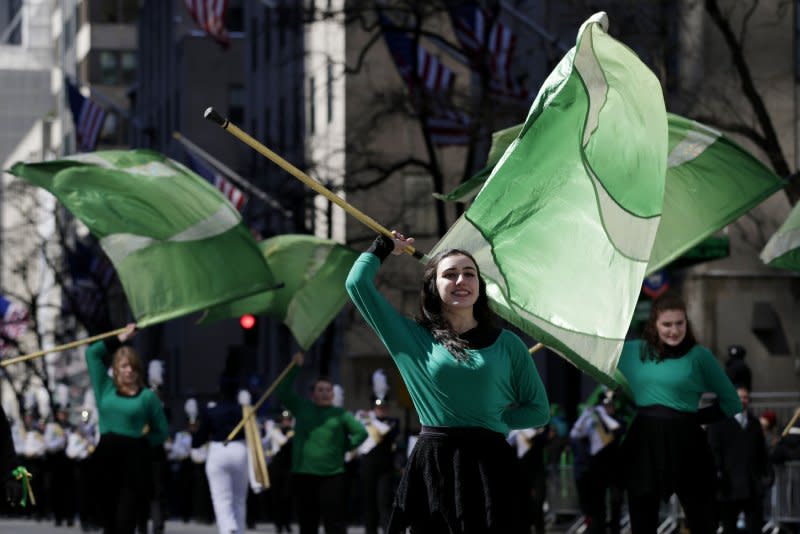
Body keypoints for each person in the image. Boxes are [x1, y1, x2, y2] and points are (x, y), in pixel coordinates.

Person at [345, 231, 550, 533]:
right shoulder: (412, 338)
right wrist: (384, 246)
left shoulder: (509, 345)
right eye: (449, 274)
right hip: (434, 465)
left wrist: (494, 420)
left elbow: (538, 410)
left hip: (491, 466)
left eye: (469, 274)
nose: (460, 281)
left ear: (480, 286)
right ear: (433, 286)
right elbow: (357, 284)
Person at [616, 291, 742, 534]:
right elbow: (597, 353)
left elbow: (732, 402)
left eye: (679, 323)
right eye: (666, 324)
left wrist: (694, 419)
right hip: (645, 440)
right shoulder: (634, 351)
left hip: (687, 440)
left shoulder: (699, 356)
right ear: (654, 324)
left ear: (687, 323)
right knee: (642, 520)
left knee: (702, 518)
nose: (674, 330)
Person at [85, 323, 169, 534]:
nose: (129, 370)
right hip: (106, 458)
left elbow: (161, 431)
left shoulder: (147, 397)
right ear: (116, 369)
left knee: (126, 520)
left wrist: (141, 443)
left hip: (134, 462)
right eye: (124, 366)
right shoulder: (105, 388)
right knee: (108, 521)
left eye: (132, 366)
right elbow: (92, 354)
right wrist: (121, 338)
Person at [275, 353, 368, 534]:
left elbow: (361, 433)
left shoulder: (340, 414)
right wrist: (295, 367)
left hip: (332, 475)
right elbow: (283, 392)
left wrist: (344, 447)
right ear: (312, 394)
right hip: (304, 474)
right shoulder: (302, 407)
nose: (325, 393)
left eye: (328, 390)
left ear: (333, 394)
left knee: (334, 523)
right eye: (320, 390)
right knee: (307, 523)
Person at [192, 373, 250, 534]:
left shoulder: (211, 411)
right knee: (239, 499)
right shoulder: (244, 411)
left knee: (221, 497)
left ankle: (227, 528)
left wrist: (195, 440)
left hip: (218, 450)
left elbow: (199, 438)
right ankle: (238, 530)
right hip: (240, 450)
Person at [707, 384, 770, 534]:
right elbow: (713, 450)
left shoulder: (754, 424)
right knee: (729, 527)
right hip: (729, 486)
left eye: (746, 397)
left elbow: (762, 451)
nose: (743, 400)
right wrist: (718, 473)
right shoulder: (719, 423)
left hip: (752, 486)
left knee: (755, 526)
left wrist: (767, 474)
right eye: (739, 397)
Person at [569, 390, 624, 534]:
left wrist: (604, 415)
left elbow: (617, 429)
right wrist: (590, 415)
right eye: (606, 405)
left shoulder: (617, 420)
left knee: (615, 504)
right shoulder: (593, 424)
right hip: (597, 472)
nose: (609, 408)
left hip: (614, 472)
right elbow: (576, 434)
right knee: (598, 508)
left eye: (611, 405)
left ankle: (614, 529)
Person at [264, 410, 295, 533]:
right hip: (277, 467)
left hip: (289, 468)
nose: (286, 422)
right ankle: (278, 524)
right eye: (284, 420)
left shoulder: (292, 432)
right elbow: (269, 446)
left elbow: (286, 443)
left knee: (287, 497)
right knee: (276, 497)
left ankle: (287, 523)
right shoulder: (276, 431)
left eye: (288, 420)